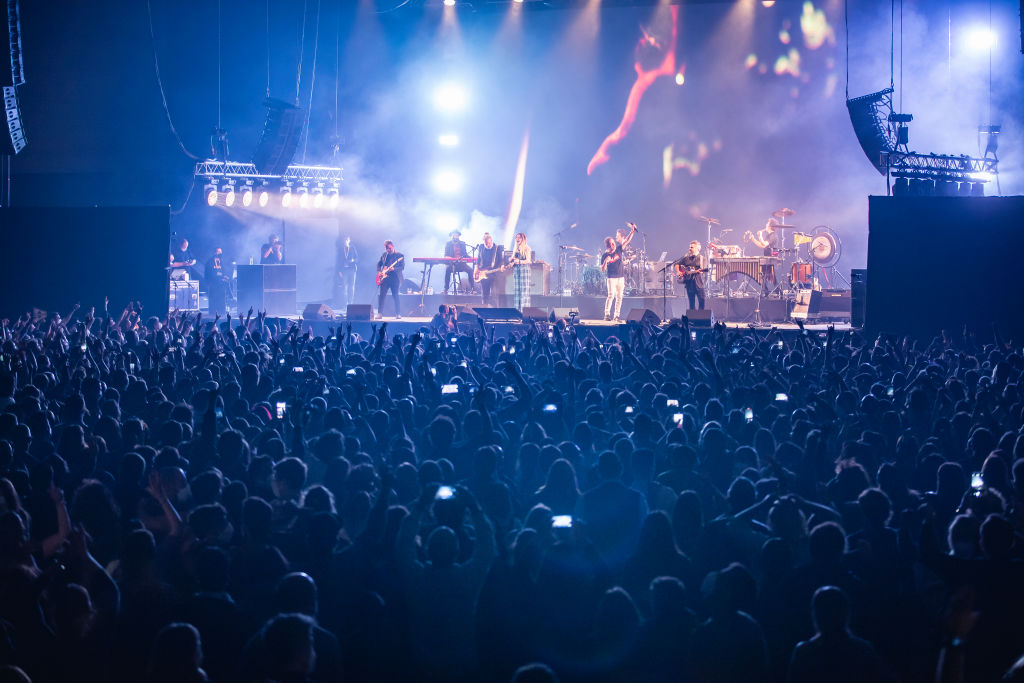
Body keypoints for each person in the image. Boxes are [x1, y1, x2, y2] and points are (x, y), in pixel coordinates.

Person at [747, 220, 779, 294]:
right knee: (765, 276)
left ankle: (772, 291)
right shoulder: (769, 235)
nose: (766, 225)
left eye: (767, 224)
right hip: (767, 258)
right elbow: (762, 245)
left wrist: (760, 236)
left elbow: (764, 244)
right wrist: (753, 239)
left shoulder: (773, 235)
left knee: (770, 276)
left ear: (770, 226)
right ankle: (766, 291)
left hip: (770, 258)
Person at [376, 240, 404, 319]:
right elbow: (379, 264)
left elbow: (402, 267)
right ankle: (380, 313)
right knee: (382, 296)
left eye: (389, 248)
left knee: (395, 296)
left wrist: (394, 268)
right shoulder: (384, 255)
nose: (388, 250)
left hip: (395, 278)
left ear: (393, 246)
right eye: (386, 248)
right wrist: (379, 271)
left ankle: (398, 313)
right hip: (385, 278)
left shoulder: (400, 256)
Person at [474, 232, 503, 306]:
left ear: (491, 241)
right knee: (484, 293)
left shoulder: (497, 248)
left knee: (494, 293)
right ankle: (485, 306)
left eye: (488, 243)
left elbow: (501, 260)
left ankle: (495, 309)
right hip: (482, 272)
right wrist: (476, 269)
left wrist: (502, 265)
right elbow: (478, 259)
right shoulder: (481, 247)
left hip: (493, 272)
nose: (487, 245)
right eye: (485, 244)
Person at [600, 236, 625, 322]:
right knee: (611, 296)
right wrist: (605, 261)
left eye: (613, 243)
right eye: (611, 243)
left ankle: (616, 315)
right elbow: (603, 270)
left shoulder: (618, 250)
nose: (613, 245)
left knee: (619, 297)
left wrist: (632, 231)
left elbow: (627, 241)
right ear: (607, 245)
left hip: (621, 277)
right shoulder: (604, 255)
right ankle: (607, 314)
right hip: (611, 278)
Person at [677, 240, 706, 311]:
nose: (690, 248)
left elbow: (702, 270)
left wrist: (693, 272)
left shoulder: (702, 259)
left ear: (697, 248)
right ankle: (692, 319)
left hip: (698, 283)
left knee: (702, 301)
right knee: (691, 303)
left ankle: (700, 317)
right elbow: (677, 264)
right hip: (689, 283)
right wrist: (679, 272)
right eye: (690, 247)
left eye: (692, 247)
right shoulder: (686, 258)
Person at [443, 230, 475, 295]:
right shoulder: (448, 244)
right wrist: (452, 259)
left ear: (459, 236)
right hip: (452, 264)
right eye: (454, 235)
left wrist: (470, 257)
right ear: (452, 236)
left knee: (470, 270)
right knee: (447, 271)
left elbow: (465, 254)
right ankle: (446, 289)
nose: (456, 236)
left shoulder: (462, 243)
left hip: (461, 264)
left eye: (457, 235)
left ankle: (473, 289)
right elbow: (446, 255)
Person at [508, 232, 532, 311]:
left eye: (519, 237)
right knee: (517, 293)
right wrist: (511, 262)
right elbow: (515, 261)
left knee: (524, 293)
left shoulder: (527, 248)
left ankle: (524, 312)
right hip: (517, 271)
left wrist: (518, 261)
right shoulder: (515, 249)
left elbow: (528, 261)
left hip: (524, 271)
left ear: (523, 239)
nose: (517, 239)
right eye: (516, 237)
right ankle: (517, 312)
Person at [204, 247, 230, 315]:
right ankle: (213, 313)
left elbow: (224, 270)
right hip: (213, 284)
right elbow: (209, 273)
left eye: (220, 252)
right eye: (218, 252)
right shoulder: (210, 262)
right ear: (214, 253)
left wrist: (225, 276)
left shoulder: (222, 261)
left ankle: (222, 312)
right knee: (214, 300)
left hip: (221, 284)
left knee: (221, 299)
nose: (220, 254)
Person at [337, 236, 358, 312]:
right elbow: (338, 260)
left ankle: (350, 304)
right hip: (344, 270)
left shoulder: (352, 248)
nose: (346, 241)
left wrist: (353, 260)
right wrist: (339, 271)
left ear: (349, 240)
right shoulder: (341, 249)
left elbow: (357, 258)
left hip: (352, 270)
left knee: (351, 287)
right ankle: (345, 305)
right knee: (344, 287)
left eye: (347, 239)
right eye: (345, 240)